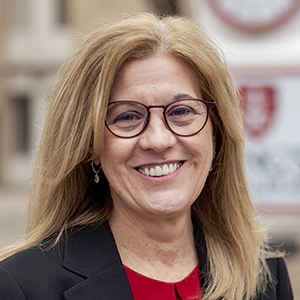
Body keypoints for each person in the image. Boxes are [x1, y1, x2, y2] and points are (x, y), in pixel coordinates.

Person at [0, 13, 293, 300]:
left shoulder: (265, 277)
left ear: (215, 133)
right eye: (127, 116)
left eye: (181, 112)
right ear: (91, 147)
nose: (158, 140)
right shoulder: (22, 288)